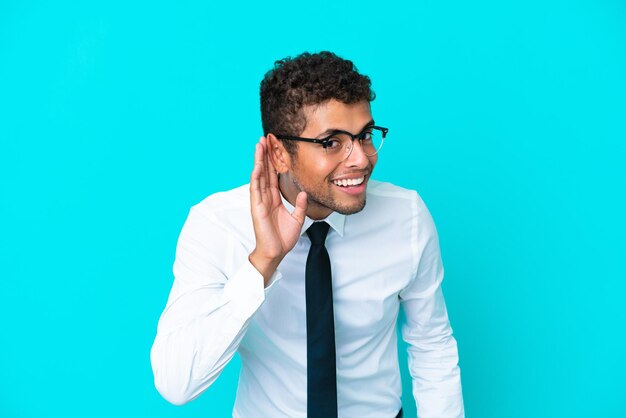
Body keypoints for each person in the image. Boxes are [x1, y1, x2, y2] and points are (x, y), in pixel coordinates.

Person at [150, 51, 464, 418]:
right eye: (332, 142)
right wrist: (261, 264)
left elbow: (431, 344)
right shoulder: (217, 225)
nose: (361, 159)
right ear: (279, 154)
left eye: (363, 135)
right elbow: (176, 383)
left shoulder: (406, 216)